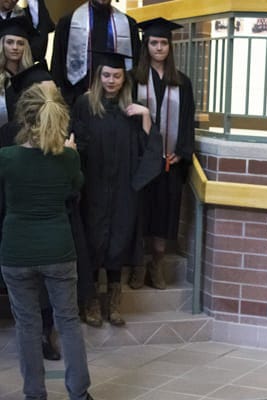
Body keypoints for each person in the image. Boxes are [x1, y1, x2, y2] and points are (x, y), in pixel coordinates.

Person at [0, 81, 93, 400]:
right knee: (68, 322)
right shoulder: (68, 158)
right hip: (59, 248)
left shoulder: (6, 157)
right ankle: (79, 393)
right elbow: (75, 188)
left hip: (16, 250)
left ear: (23, 118)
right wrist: (72, 154)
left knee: (26, 326)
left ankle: (34, 394)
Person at [71, 51, 162, 327]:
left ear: (124, 79)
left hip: (123, 188)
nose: (111, 80)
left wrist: (146, 115)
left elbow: (150, 150)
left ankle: (113, 304)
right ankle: (90, 303)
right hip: (93, 187)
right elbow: (76, 144)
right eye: (106, 75)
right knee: (92, 242)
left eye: (117, 76)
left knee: (118, 242)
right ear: (99, 77)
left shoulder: (133, 110)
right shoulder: (85, 105)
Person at [130, 17, 195, 290]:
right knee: (139, 214)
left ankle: (156, 265)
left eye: (163, 43)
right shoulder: (134, 79)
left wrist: (181, 152)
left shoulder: (182, 82)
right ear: (146, 46)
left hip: (170, 162)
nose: (159, 48)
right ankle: (137, 266)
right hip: (141, 162)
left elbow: (187, 120)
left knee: (164, 216)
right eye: (154, 42)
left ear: (170, 47)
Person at [51, 0, 140, 106]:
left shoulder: (129, 25)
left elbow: (134, 68)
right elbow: (57, 68)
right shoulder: (67, 23)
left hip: (117, 105)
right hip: (76, 102)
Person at [0, 16, 34, 126]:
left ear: (26, 47)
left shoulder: (33, 78)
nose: (15, 47)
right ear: (2, 45)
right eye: (9, 42)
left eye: (20, 43)